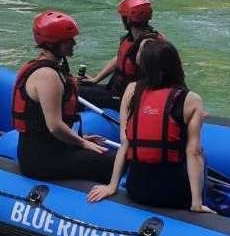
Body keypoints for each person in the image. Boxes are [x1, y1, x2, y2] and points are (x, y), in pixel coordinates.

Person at [88, 40, 211, 211]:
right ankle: (201, 201)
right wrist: (196, 204)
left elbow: (126, 143)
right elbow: (194, 152)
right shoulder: (191, 100)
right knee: (202, 155)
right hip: (174, 195)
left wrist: (111, 186)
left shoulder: (131, 90)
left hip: (137, 190)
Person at [11, 11, 113, 182]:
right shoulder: (47, 76)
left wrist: (79, 139)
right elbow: (55, 126)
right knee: (111, 162)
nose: (73, 43)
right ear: (53, 43)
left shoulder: (48, 67)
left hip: (51, 147)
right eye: (69, 40)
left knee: (103, 153)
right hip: (41, 158)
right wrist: (82, 143)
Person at [79, 0, 163, 111]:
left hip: (125, 98)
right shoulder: (130, 38)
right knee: (77, 85)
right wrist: (96, 79)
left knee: (74, 91)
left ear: (128, 20)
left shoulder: (148, 47)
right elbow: (119, 58)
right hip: (115, 90)